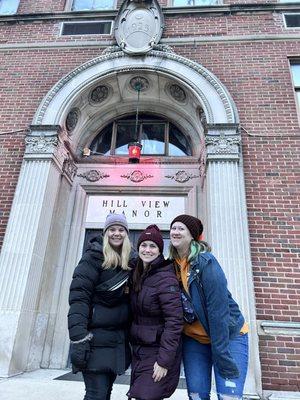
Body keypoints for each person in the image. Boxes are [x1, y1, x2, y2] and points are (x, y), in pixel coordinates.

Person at [169, 214, 249, 400]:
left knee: (228, 396)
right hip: (195, 340)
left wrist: (221, 353)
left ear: (192, 236)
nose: (175, 232)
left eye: (181, 228)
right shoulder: (171, 265)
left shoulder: (206, 263)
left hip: (228, 336)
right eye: (173, 228)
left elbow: (218, 312)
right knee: (197, 396)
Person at [68, 213, 134, 400]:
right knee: (96, 395)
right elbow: (79, 299)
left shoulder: (131, 261)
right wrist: (80, 338)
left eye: (121, 230)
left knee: (104, 394)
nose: (117, 233)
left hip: (117, 341)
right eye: (112, 229)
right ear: (105, 233)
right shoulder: (92, 258)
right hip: (94, 340)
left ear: (126, 234)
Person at [127, 224, 183, 400]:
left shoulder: (166, 278)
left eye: (153, 246)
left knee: (146, 396)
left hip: (157, 351)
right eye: (144, 245)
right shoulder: (136, 273)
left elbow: (174, 321)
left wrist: (163, 361)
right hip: (138, 349)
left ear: (160, 251)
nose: (147, 250)